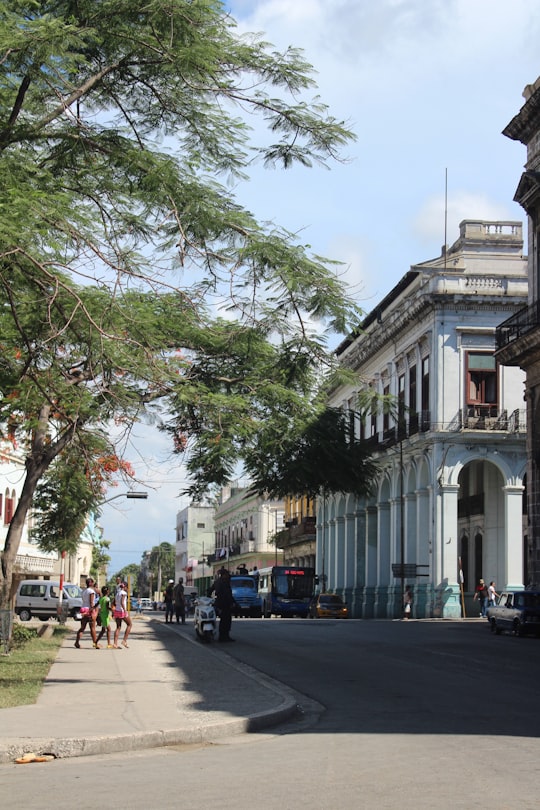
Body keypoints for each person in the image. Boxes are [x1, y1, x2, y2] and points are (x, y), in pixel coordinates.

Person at [75, 577, 100, 649]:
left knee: (82, 627)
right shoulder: (91, 592)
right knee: (92, 627)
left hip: (83, 608)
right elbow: (91, 602)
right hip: (89, 610)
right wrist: (93, 610)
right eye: (92, 583)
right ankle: (95, 643)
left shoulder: (83, 591)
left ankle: (77, 642)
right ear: (90, 583)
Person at [214, 567, 235, 642]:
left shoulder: (218, 581)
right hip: (224, 604)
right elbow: (227, 594)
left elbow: (211, 589)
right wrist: (232, 602)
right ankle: (224, 636)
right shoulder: (224, 582)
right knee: (225, 621)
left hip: (221, 604)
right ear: (224, 575)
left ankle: (224, 636)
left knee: (224, 621)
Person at [113, 581, 132, 648]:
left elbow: (115, 602)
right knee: (129, 624)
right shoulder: (124, 593)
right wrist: (124, 610)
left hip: (117, 610)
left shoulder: (117, 593)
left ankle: (115, 643)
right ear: (125, 587)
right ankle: (124, 640)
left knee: (118, 627)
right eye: (127, 588)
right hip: (122, 611)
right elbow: (122, 602)